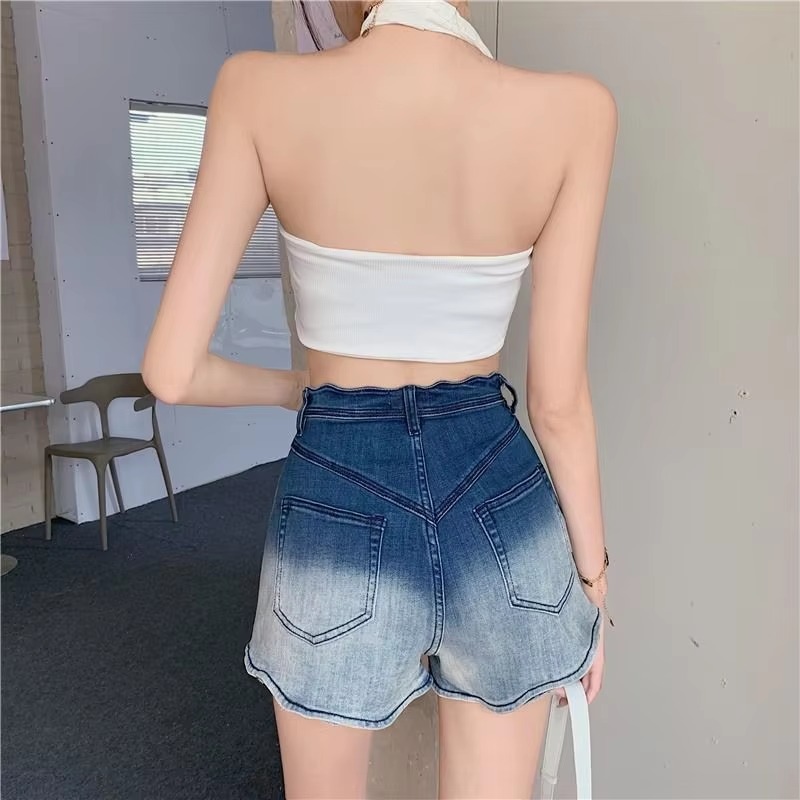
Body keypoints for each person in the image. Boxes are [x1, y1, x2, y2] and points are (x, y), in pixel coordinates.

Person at [142, 0, 617, 796]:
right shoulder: (577, 111)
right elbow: (558, 404)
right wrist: (592, 583)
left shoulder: (256, 90)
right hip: (502, 500)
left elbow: (172, 372)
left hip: (335, 490)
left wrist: (296, 389)